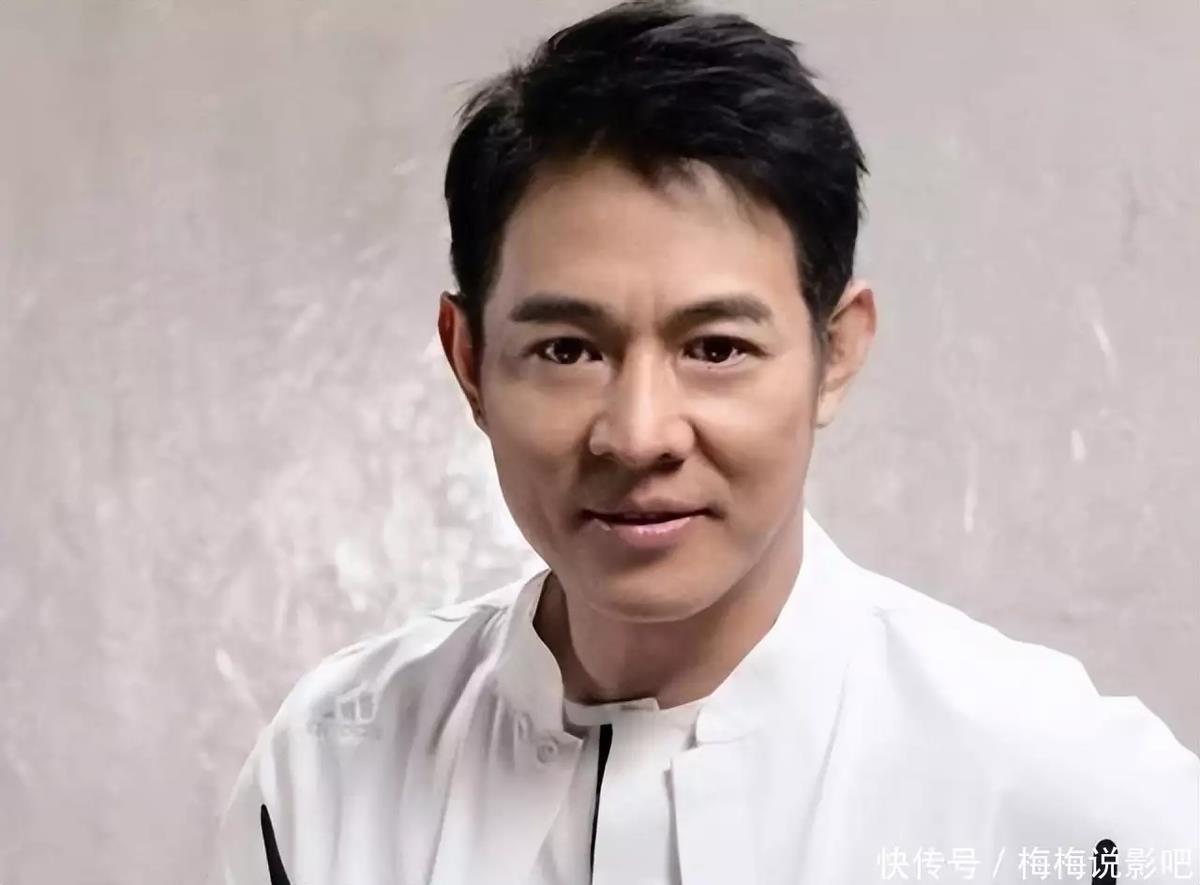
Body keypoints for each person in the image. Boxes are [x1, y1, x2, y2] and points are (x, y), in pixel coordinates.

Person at [216, 2, 1199, 883]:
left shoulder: (1066, 797)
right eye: (567, 349)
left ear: (835, 353)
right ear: (469, 360)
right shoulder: (332, 770)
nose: (639, 435)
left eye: (717, 348)